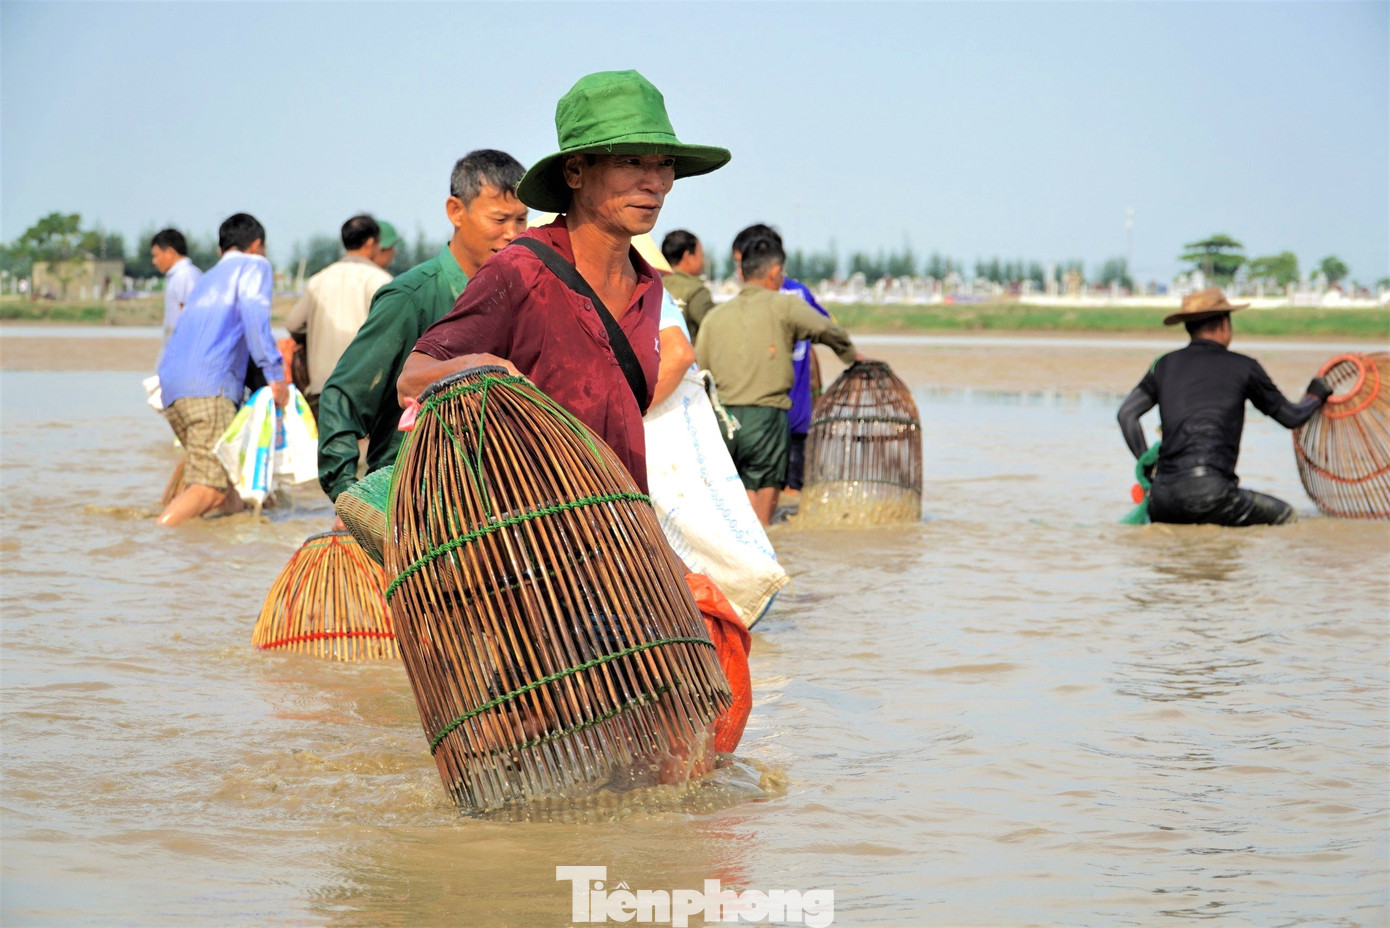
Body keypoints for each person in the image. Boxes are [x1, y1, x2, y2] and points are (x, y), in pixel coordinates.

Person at [397, 70, 730, 494]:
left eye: (664, 163)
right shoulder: (518, 272)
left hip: (619, 539)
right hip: (526, 543)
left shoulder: (650, 288)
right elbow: (411, 378)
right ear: (575, 170)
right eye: (630, 161)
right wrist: (479, 368)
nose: (655, 182)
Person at [316, 150, 528, 503]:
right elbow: (343, 396)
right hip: (411, 499)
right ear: (456, 211)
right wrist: (347, 495)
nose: (513, 233)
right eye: (500, 219)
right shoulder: (410, 297)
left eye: (521, 220)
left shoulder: (522, 295)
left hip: (491, 502)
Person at [1116, 287, 1333, 526]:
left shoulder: (1164, 365)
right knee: (1288, 517)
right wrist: (1316, 394)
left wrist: (1149, 470)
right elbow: (1292, 417)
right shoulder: (1245, 367)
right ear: (1223, 324)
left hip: (1162, 501)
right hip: (1214, 496)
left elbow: (1126, 415)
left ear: (1189, 327)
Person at [696, 233, 860, 525]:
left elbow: (701, 371)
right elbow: (828, 330)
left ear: (742, 273)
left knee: (728, 506)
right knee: (761, 520)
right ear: (775, 273)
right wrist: (850, 357)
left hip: (721, 422)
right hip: (766, 419)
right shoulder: (785, 306)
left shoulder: (715, 317)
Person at [155, 213, 287, 527]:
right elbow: (256, 320)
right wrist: (276, 376)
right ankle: (155, 540)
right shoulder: (255, 265)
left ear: (221, 250)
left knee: (228, 485)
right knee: (211, 489)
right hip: (209, 390)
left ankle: (217, 557)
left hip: (172, 391)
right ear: (256, 245)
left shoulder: (207, 277)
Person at [731, 223, 831, 498]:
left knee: (758, 491)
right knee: (790, 491)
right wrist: (818, 393)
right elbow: (816, 341)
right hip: (797, 414)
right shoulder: (801, 294)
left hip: (759, 416)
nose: (741, 274)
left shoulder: (752, 301)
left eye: (742, 265)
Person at [285, 214, 393, 416]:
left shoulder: (318, 280)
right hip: (362, 388)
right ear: (371, 243)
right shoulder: (380, 280)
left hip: (322, 388)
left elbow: (293, 324)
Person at [660, 230, 715, 342]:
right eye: (701, 255)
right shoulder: (696, 291)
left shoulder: (651, 285)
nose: (703, 262)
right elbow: (716, 330)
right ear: (688, 256)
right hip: (686, 357)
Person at [150, 228, 202, 342]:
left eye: (156, 255)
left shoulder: (186, 275)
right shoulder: (178, 276)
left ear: (169, 252)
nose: (154, 261)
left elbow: (191, 317)